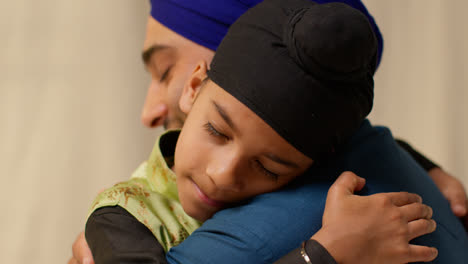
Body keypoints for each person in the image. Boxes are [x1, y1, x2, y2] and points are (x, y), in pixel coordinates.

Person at [69, 0, 468, 263]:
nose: (224, 174)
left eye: (269, 167)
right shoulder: (124, 213)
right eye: (217, 131)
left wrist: (424, 163)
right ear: (196, 86)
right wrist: (322, 254)